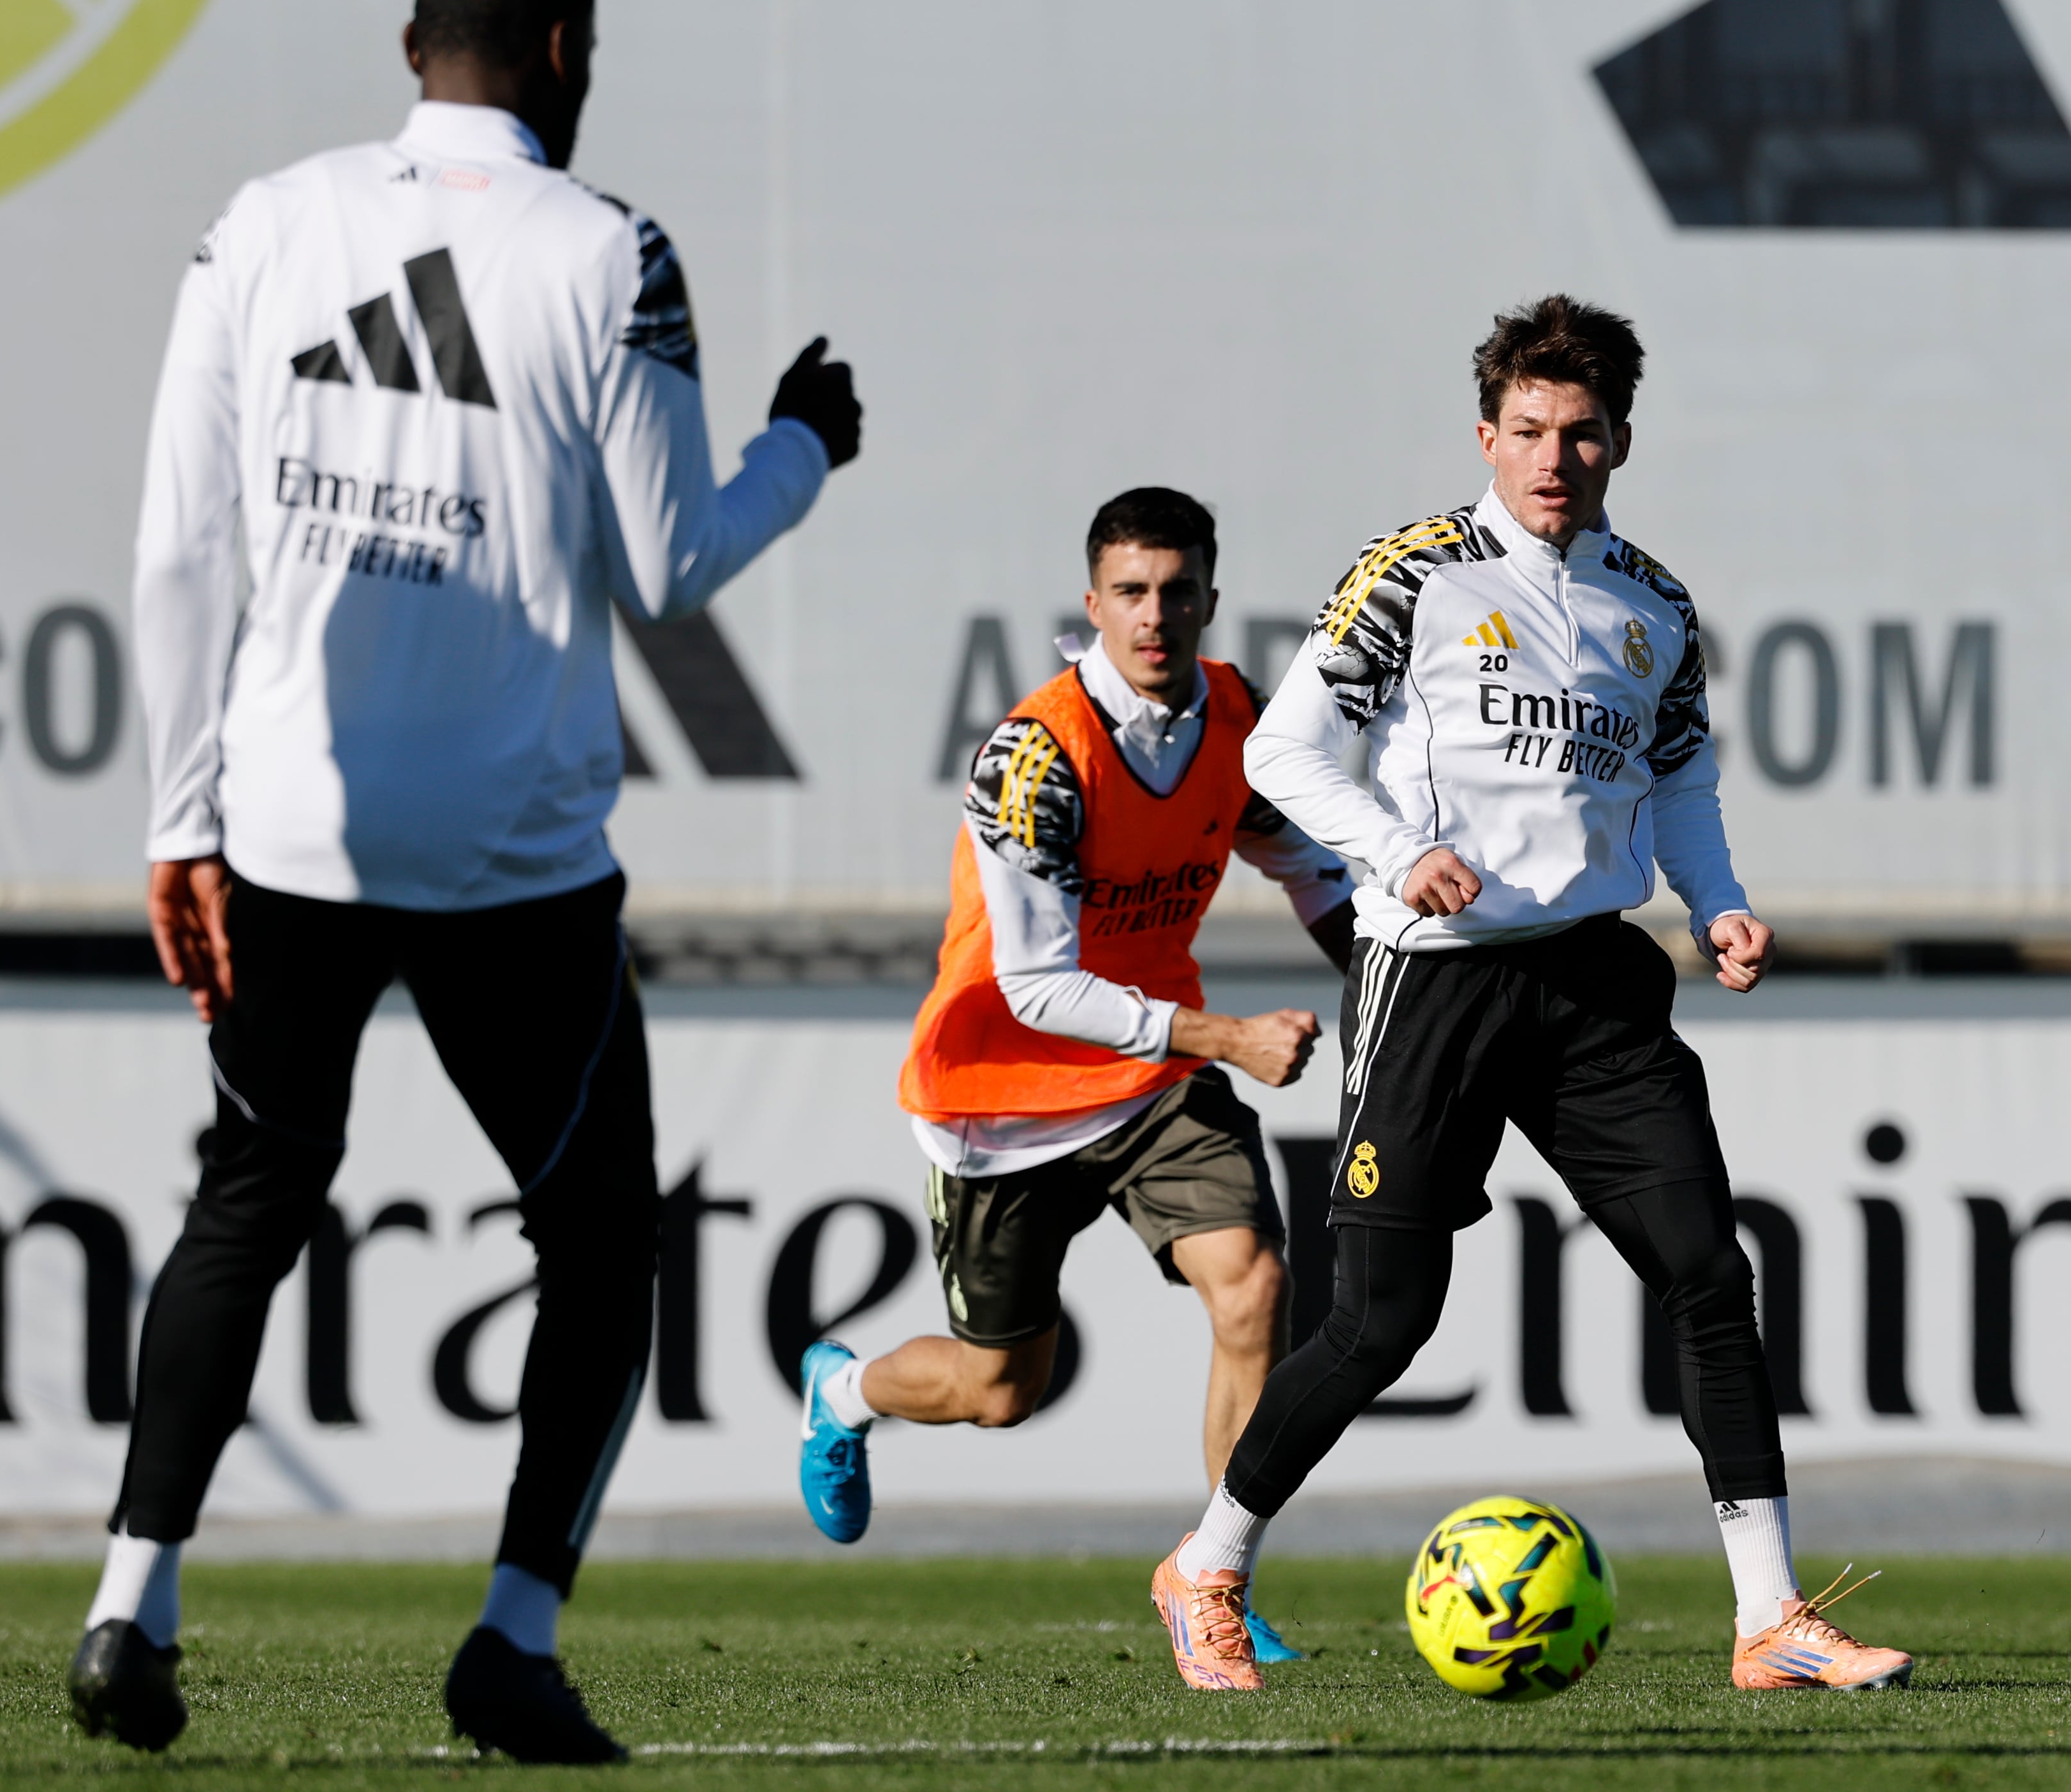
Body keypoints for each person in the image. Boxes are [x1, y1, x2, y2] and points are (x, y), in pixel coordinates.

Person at [74, 0, 862, 1765]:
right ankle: (510, 1635)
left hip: (287, 828)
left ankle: (133, 1599)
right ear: (568, 50)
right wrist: (803, 450)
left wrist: (175, 813)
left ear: (411, 41)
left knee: (247, 1204)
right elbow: (668, 566)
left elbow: (179, 541)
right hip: (513, 857)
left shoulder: (266, 218)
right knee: (598, 1243)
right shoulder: (609, 251)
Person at [1146, 296, 1913, 1694]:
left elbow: (1679, 777)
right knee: (1379, 1323)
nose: (1553, 456)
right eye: (1528, 431)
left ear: (1620, 439)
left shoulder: (1653, 604)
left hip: (1594, 985)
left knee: (1706, 1272)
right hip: (1437, 982)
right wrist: (1398, 852)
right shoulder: (1418, 571)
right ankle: (1207, 1565)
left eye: (1581, 433)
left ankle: (1770, 1619)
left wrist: (1715, 897)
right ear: (1486, 435)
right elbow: (1284, 754)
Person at [796, 489, 1352, 1665]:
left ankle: (1216, 1574)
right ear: (1092, 602)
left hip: (1149, 1086)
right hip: (1001, 1095)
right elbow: (1039, 987)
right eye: (1132, 593)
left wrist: (1385, 976)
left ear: (1209, 598)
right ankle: (842, 1394)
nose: (1155, 616)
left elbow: (1303, 865)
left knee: (1252, 1288)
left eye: (1179, 592)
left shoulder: (1232, 718)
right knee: (1001, 1392)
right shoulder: (1033, 755)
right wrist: (1228, 1038)